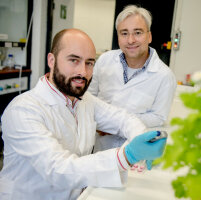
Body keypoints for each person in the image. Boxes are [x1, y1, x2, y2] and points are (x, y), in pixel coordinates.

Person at [0, 29, 167, 200]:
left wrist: (143, 138)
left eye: (89, 63)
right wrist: (127, 155)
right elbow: (60, 170)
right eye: (74, 60)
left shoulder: (83, 100)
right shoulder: (22, 111)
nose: (82, 72)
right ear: (52, 60)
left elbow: (123, 119)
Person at [88, 5, 177, 151]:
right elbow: (89, 97)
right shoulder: (104, 61)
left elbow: (158, 117)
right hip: (99, 146)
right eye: (124, 33)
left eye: (137, 32)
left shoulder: (165, 76)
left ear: (149, 36)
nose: (130, 40)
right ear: (118, 37)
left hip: (133, 149)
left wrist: (116, 124)